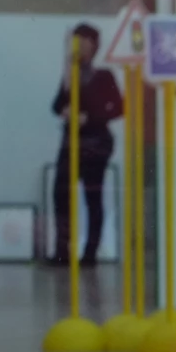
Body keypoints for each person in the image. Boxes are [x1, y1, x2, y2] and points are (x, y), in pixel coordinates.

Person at [48, 22, 123, 266]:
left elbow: (119, 107)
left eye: (84, 43)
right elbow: (57, 105)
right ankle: (63, 251)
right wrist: (68, 86)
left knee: (92, 197)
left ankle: (90, 253)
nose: (79, 48)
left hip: (95, 143)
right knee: (61, 194)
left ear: (94, 46)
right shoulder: (71, 73)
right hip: (70, 143)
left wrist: (89, 117)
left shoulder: (103, 76)